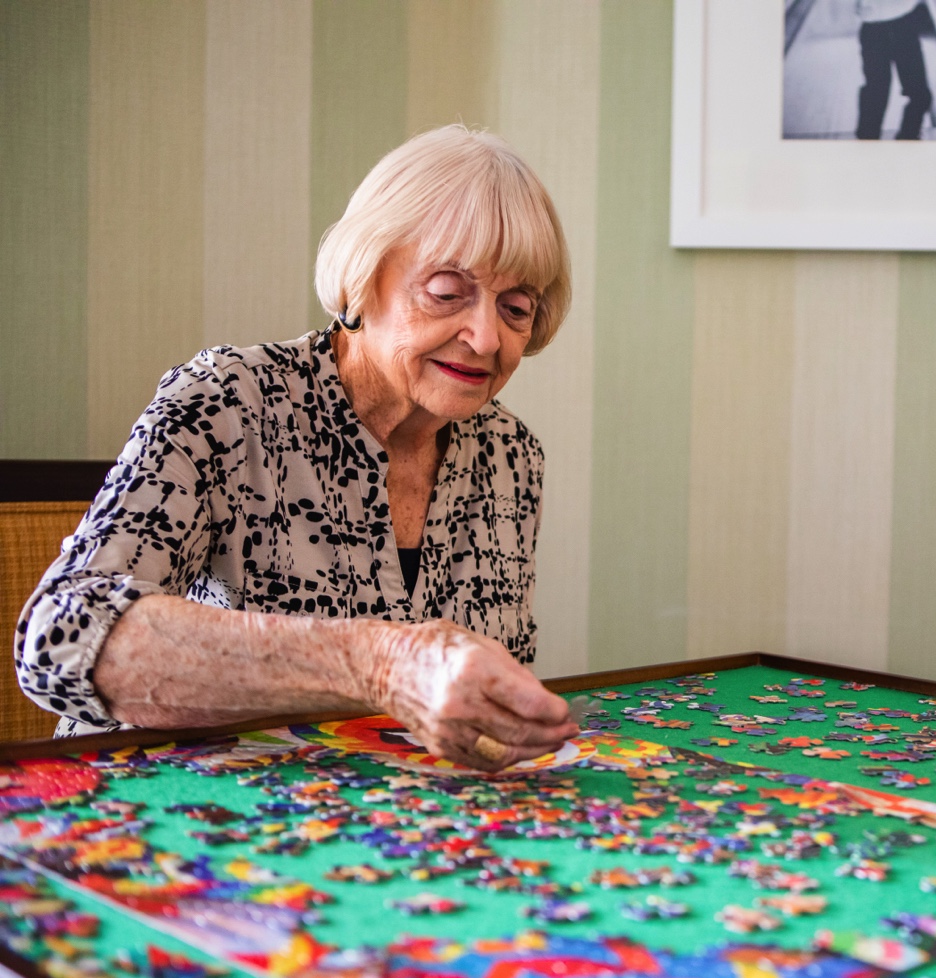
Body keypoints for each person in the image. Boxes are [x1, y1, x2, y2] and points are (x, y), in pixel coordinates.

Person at [13, 125, 580, 771]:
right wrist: (381, 664)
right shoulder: (228, 401)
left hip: (380, 822)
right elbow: (59, 639)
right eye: (447, 292)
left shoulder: (510, 455)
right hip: (167, 818)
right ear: (365, 277)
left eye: (516, 307)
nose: (484, 337)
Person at [854, 0, 933, 140]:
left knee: (919, 94)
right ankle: (869, 144)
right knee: (877, 94)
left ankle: (906, 138)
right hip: (883, 28)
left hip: (898, 25)